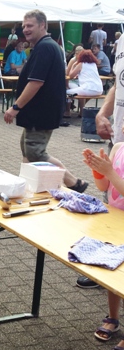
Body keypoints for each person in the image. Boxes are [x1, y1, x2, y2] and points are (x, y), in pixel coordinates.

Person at [3, 9, 88, 194]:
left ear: (43, 25)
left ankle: (74, 182)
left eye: (30, 25)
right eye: (24, 26)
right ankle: (26, 186)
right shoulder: (44, 46)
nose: (25, 29)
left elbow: (36, 82)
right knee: (27, 149)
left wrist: (15, 107)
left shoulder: (45, 47)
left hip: (41, 111)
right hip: (38, 111)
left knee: (35, 152)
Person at [75, 32, 124, 290]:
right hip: (119, 141)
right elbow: (118, 83)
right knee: (112, 204)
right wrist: (103, 113)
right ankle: (109, 263)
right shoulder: (122, 41)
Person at [82, 143, 124, 350]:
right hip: (115, 222)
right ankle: (113, 318)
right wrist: (98, 170)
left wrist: (109, 171)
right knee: (112, 270)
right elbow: (103, 187)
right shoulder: (118, 148)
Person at [67, 48, 103, 115]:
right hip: (99, 90)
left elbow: (71, 75)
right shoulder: (93, 64)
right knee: (74, 93)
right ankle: (80, 111)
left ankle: (67, 110)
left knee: (66, 92)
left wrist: (73, 65)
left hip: (88, 89)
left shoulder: (81, 64)